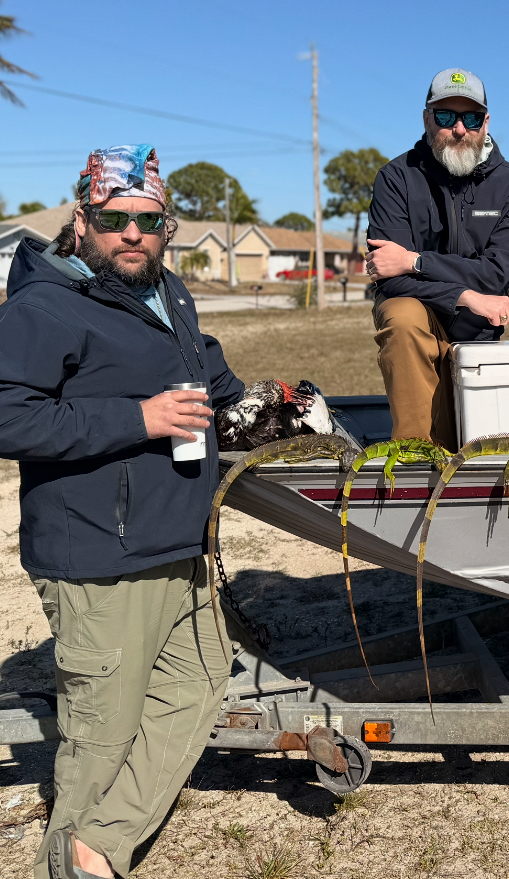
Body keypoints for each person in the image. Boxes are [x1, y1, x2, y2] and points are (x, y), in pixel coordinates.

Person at [0, 146, 246, 879]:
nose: (133, 233)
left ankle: (98, 844)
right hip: (101, 555)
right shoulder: (42, 307)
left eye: (148, 220)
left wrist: (264, 402)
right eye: (115, 219)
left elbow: (208, 375)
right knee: (101, 736)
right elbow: (9, 415)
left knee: (201, 680)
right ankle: (73, 862)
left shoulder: (166, 291)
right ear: (83, 220)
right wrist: (138, 419)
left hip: (177, 542)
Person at [365, 68, 509, 449]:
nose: (459, 128)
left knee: (470, 444)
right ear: (427, 118)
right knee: (402, 314)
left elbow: (494, 275)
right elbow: (389, 280)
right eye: (446, 116)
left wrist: (415, 262)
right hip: (420, 318)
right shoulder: (395, 178)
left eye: (471, 117)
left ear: (486, 122)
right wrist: (465, 295)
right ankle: (414, 454)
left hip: (477, 332)